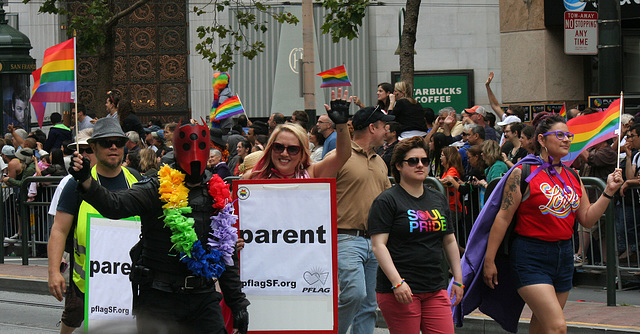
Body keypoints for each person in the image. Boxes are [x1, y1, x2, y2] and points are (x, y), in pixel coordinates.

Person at [69, 121, 250, 333]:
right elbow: (114, 206)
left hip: (203, 298)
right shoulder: (156, 187)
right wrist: (86, 182)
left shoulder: (216, 191)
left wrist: (238, 304)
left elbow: (225, 252)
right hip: (160, 299)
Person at [481, 113, 623, 333]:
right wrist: (489, 260)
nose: (566, 139)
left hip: (564, 257)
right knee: (557, 327)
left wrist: (608, 191)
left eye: (568, 135)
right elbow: (503, 217)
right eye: (559, 135)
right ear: (541, 140)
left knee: (542, 325)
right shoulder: (523, 172)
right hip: (530, 256)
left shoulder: (573, 176)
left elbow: (586, 218)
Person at [48, 118, 142, 334]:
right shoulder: (76, 184)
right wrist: (54, 271)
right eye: (106, 142)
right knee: (71, 325)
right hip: (85, 286)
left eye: (118, 142)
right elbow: (59, 229)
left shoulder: (136, 180)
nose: (113, 147)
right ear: (94, 147)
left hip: (127, 282)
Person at [369, 136, 463, 333]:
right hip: (400, 289)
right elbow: (379, 245)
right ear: (398, 166)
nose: (420, 165)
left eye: (424, 160)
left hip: (435, 287)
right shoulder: (387, 201)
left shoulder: (437, 197)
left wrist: (459, 279)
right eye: (413, 161)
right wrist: (397, 282)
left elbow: (449, 240)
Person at [335, 104, 394, 334]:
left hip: (376, 243)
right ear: (372, 127)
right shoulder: (340, 156)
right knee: (355, 293)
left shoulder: (380, 161)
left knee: (369, 304)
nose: (387, 131)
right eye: (384, 126)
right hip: (346, 238)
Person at [247, 89, 352, 180]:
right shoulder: (253, 177)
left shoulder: (313, 174)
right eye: (278, 147)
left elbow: (342, 155)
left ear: (302, 153)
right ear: (270, 149)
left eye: (292, 149)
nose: (284, 153)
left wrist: (341, 124)